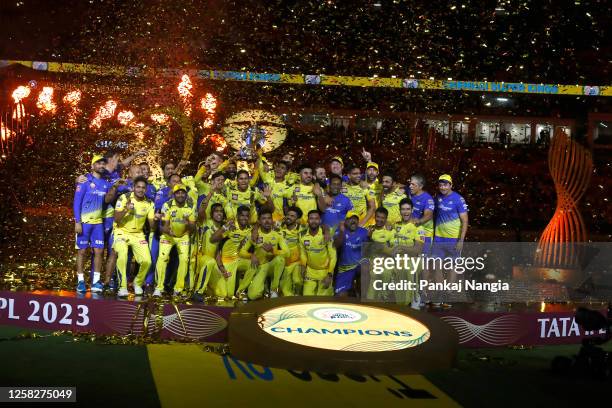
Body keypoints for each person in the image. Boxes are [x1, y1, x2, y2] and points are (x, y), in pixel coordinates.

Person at [112, 176, 157, 297]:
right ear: (133, 187)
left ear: (146, 189)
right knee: (122, 255)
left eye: (143, 188)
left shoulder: (149, 203)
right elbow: (116, 218)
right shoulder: (124, 197)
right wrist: (126, 209)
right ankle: (122, 287)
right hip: (121, 231)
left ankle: (137, 283)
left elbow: (152, 225)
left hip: (138, 235)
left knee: (147, 261)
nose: (140, 190)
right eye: (138, 187)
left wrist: (156, 220)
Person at [73, 154, 112, 293]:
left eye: (103, 164)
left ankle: (96, 282)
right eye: (98, 163)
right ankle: (80, 281)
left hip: (98, 224)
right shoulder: (84, 181)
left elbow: (109, 200)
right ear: (92, 166)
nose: (101, 166)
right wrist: (77, 222)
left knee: (99, 251)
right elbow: (76, 203)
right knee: (82, 251)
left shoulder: (106, 184)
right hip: (84, 223)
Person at [154, 184, 196, 296]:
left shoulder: (191, 206)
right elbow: (162, 226)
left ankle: (178, 289)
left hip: (183, 236)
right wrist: (168, 231)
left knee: (184, 260)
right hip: (168, 236)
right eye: (178, 192)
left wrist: (188, 224)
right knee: (162, 258)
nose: (180, 195)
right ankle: (158, 288)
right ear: (174, 194)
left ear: (186, 194)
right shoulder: (167, 205)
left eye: (183, 192)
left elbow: (193, 228)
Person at [238, 210, 289, 299]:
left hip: (271, 265)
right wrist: (251, 255)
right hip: (260, 267)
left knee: (280, 260)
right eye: (264, 218)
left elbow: (287, 253)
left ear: (272, 220)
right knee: (253, 295)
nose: (267, 221)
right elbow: (241, 252)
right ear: (259, 221)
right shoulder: (253, 235)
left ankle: (274, 290)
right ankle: (260, 288)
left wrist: (273, 251)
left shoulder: (278, 235)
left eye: (269, 218)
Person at [209, 205, 253, 300]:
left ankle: (240, 291)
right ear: (237, 216)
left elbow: (258, 226)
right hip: (227, 262)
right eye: (242, 215)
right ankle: (210, 288)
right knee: (227, 294)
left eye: (246, 216)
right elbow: (212, 239)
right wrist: (225, 227)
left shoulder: (249, 229)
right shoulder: (231, 227)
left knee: (254, 264)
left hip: (239, 259)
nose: (244, 218)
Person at [393, 198, 425, 308]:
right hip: (397, 259)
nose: (405, 212)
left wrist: (401, 247)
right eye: (403, 209)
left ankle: (415, 297)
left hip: (413, 259)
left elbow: (418, 250)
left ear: (412, 210)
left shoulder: (418, 227)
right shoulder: (395, 225)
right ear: (399, 210)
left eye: (408, 209)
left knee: (409, 268)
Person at [192, 202, 226, 302]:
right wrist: (211, 192)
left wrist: (221, 268)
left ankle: (206, 287)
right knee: (209, 261)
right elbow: (202, 208)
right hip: (199, 257)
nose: (219, 213)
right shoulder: (205, 221)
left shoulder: (222, 229)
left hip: (211, 262)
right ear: (211, 213)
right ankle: (198, 292)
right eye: (216, 211)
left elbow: (217, 250)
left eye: (221, 211)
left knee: (222, 293)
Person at [299, 210, 337, 296]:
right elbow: (303, 253)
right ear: (308, 220)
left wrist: (330, 274)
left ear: (320, 221)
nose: (314, 221)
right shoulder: (302, 235)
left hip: (324, 272)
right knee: (307, 299)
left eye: (316, 219)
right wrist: (303, 266)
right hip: (310, 272)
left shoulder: (326, 234)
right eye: (311, 218)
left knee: (323, 301)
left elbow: (333, 256)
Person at [333, 211, 369, 297]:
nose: (353, 221)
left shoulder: (364, 232)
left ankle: (359, 292)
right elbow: (336, 245)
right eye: (350, 219)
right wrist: (342, 232)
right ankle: (351, 289)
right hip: (345, 269)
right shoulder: (340, 231)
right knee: (340, 296)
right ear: (345, 221)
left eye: (355, 219)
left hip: (359, 267)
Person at [432, 174, 469, 259]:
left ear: (451, 185)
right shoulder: (437, 197)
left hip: (454, 239)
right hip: (439, 238)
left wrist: (461, 240)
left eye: (445, 185)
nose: (442, 187)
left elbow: (465, 221)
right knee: (436, 265)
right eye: (440, 185)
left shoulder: (459, 199)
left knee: (452, 268)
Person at [257, 155, 293, 223]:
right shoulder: (267, 178)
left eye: (282, 168)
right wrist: (258, 154)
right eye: (278, 167)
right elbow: (259, 165)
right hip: (264, 219)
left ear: (287, 172)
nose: (279, 169)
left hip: (278, 220)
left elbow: (290, 207)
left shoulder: (288, 188)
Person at [279, 206, 305, 296]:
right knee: (286, 293)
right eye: (288, 215)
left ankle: (298, 295)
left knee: (297, 280)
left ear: (297, 219)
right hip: (284, 264)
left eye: (292, 216)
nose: (289, 217)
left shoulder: (303, 230)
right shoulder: (279, 228)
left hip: (297, 262)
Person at [407, 173, 435, 255]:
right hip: (413, 230)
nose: (410, 186)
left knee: (423, 259)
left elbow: (429, 215)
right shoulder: (410, 192)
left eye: (413, 184)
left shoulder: (428, 199)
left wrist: (418, 221)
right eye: (410, 184)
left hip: (425, 233)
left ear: (420, 186)